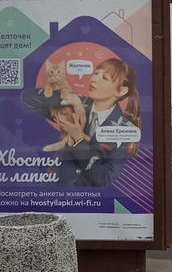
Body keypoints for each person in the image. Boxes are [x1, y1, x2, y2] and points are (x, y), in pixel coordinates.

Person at [23, 57, 142, 187]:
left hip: (87, 196)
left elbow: (103, 178)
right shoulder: (77, 102)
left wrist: (78, 139)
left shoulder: (126, 130)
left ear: (121, 91)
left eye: (104, 78)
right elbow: (27, 98)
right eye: (96, 73)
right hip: (55, 188)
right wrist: (69, 100)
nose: (93, 79)